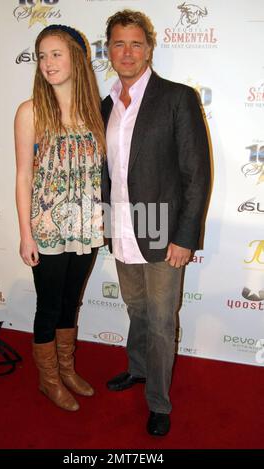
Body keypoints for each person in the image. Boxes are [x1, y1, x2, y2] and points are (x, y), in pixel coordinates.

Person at [102, 10, 210, 435]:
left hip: (163, 232)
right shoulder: (106, 102)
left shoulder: (176, 97)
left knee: (163, 322)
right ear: (107, 49)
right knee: (136, 309)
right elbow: (107, 171)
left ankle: (159, 402)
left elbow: (196, 174)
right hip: (122, 226)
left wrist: (185, 235)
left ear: (149, 48)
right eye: (118, 43)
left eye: (135, 44)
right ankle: (138, 368)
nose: (126, 52)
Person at [14, 24, 105, 411]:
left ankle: (66, 370)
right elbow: (23, 176)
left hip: (85, 225)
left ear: (77, 58)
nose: (48, 63)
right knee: (48, 306)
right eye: (42, 56)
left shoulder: (94, 111)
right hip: (48, 229)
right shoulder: (30, 111)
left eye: (56, 54)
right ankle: (48, 380)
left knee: (71, 303)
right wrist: (26, 234)